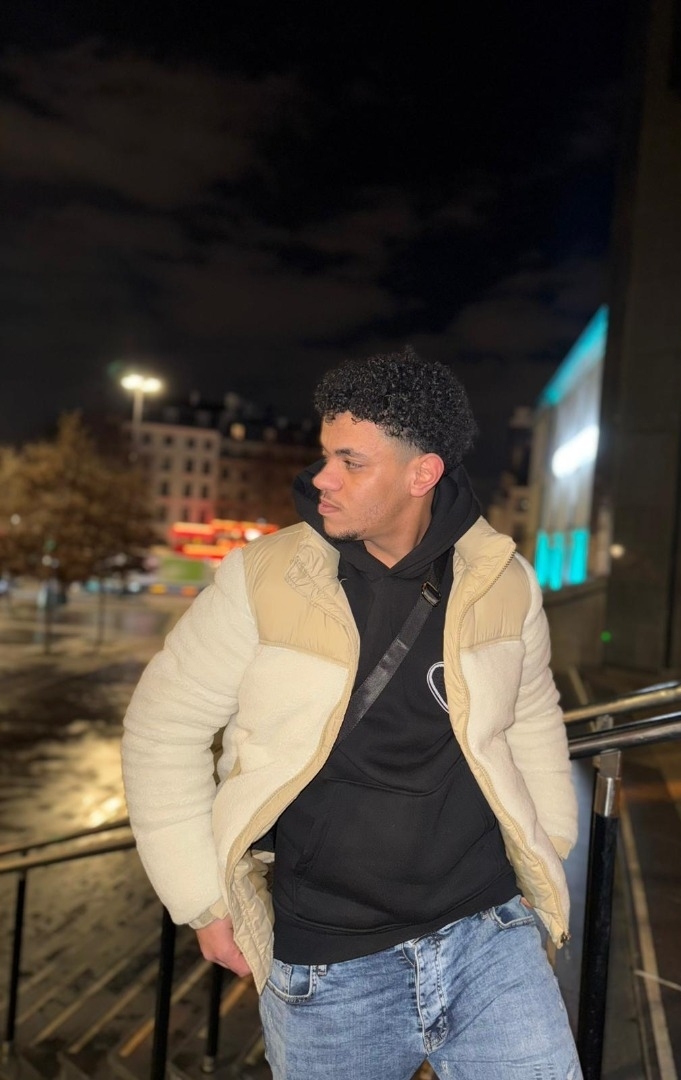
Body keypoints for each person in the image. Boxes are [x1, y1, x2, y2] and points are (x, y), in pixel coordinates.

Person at [122, 348, 582, 1080]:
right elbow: (162, 729)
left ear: (421, 474)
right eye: (325, 454)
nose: (321, 478)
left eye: (350, 461)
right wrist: (203, 902)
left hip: (488, 934)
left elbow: (531, 719)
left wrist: (548, 847)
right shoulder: (265, 577)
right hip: (327, 967)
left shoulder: (504, 580)